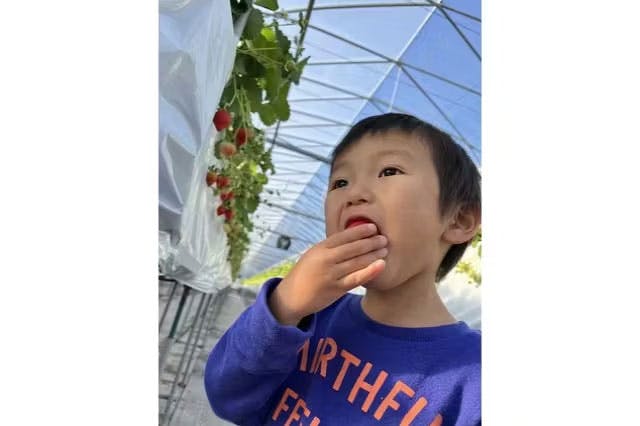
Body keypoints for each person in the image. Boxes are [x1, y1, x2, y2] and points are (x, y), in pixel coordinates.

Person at [204, 113, 481, 425]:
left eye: (389, 171)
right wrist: (283, 306)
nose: (354, 194)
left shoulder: (476, 380)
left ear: (459, 220)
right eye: (340, 182)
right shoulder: (310, 318)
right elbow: (226, 398)